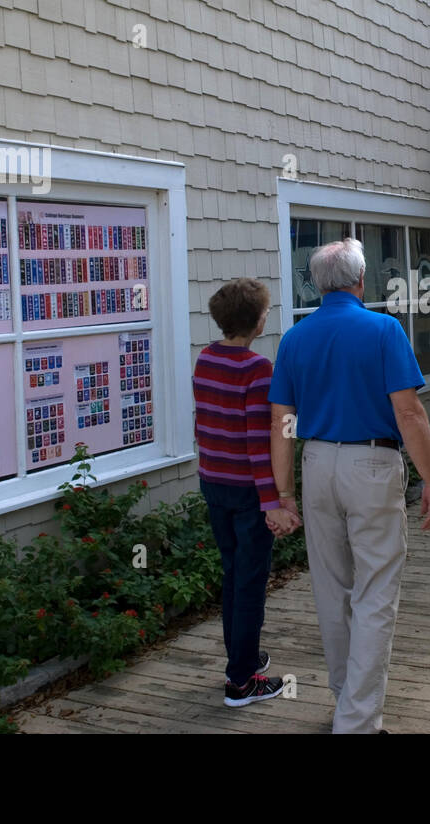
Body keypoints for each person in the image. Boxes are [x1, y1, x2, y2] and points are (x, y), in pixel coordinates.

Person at [269, 237, 430, 734]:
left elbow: (282, 420)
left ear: (317, 284)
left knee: (331, 590)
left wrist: (283, 492)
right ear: (360, 280)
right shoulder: (384, 329)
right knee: (374, 593)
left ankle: (347, 700)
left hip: (317, 461)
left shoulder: (294, 339)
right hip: (372, 463)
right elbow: (409, 412)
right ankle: (358, 721)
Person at [193, 278, 301, 707]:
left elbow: (206, 423)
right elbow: (261, 445)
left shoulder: (205, 359)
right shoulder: (258, 371)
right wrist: (272, 502)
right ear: (258, 322)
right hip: (246, 491)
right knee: (251, 581)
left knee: (232, 573)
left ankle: (243, 655)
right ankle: (242, 680)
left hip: (213, 483)